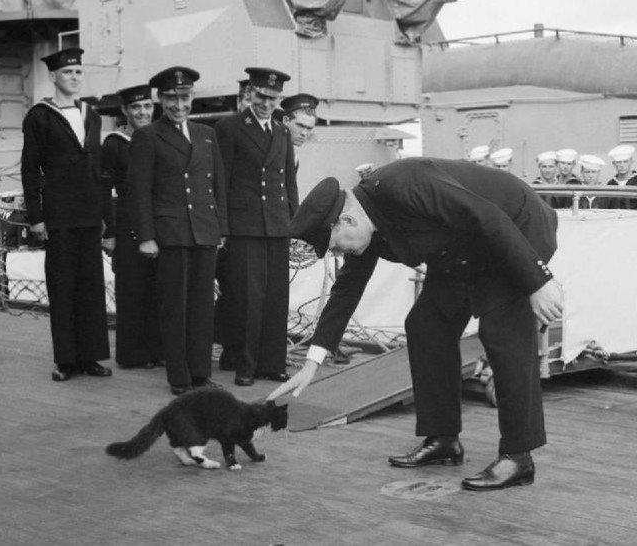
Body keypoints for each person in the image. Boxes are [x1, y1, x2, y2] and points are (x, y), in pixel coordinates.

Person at [268, 157, 563, 491]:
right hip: (464, 247)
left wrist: (537, 280)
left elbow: (487, 216)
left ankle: (518, 456)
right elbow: (346, 290)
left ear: (346, 219)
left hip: (515, 227)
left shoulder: (407, 185)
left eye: (336, 245)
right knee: (427, 324)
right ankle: (444, 440)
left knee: (502, 331)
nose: (339, 253)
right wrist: (312, 362)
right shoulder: (366, 223)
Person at [127, 66, 227, 396]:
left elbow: (217, 185)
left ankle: (200, 373)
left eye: (184, 97)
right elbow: (139, 191)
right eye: (171, 98)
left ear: (192, 97)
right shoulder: (147, 136)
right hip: (170, 234)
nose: (178, 105)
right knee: (175, 307)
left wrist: (221, 228)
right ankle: (179, 378)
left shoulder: (206, 134)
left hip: (203, 232)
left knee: (201, 307)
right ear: (160, 99)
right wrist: (146, 236)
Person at [21, 47, 112, 382]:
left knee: (91, 286)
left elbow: (99, 168)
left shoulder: (92, 114)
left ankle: (91, 357)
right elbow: (30, 170)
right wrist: (36, 217)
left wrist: (104, 213)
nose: (74, 77)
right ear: (54, 77)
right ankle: (66, 360)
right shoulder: (39, 116)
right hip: (58, 214)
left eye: (77, 72)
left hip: (89, 213)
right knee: (63, 286)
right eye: (67, 73)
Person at [214, 67, 299, 386]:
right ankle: (246, 365)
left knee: (277, 296)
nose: (266, 103)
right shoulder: (230, 127)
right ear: (250, 92)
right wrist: (223, 226)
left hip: (276, 224)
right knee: (248, 298)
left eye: (272, 98)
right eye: (261, 96)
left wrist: (295, 222)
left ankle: (272, 363)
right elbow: (221, 180)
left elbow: (289, 181)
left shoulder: (282, 132)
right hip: (244, 224)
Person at [101, 84, 163, 369]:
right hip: (127, 225)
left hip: (160, 225)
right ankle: (133, 354)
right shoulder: (114, 144)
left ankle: (158, 350)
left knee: (158, 289)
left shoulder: (161, 137)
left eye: (147, 106)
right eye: (135, 107)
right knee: (132, 290)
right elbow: (103, 190)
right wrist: (109, 232)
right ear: (125, 111)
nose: (142, 112)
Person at [280, 93, 317, 171]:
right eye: (300, 126)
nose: (304, 133)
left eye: (309, 128)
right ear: (286, 120)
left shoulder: (292, 147)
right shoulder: (275, 148)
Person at [607, 144, 637, 209]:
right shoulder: (611, 184)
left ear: (631, 161)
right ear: (614, 164)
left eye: (625, 161)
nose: (622, 165)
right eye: (619, 162)